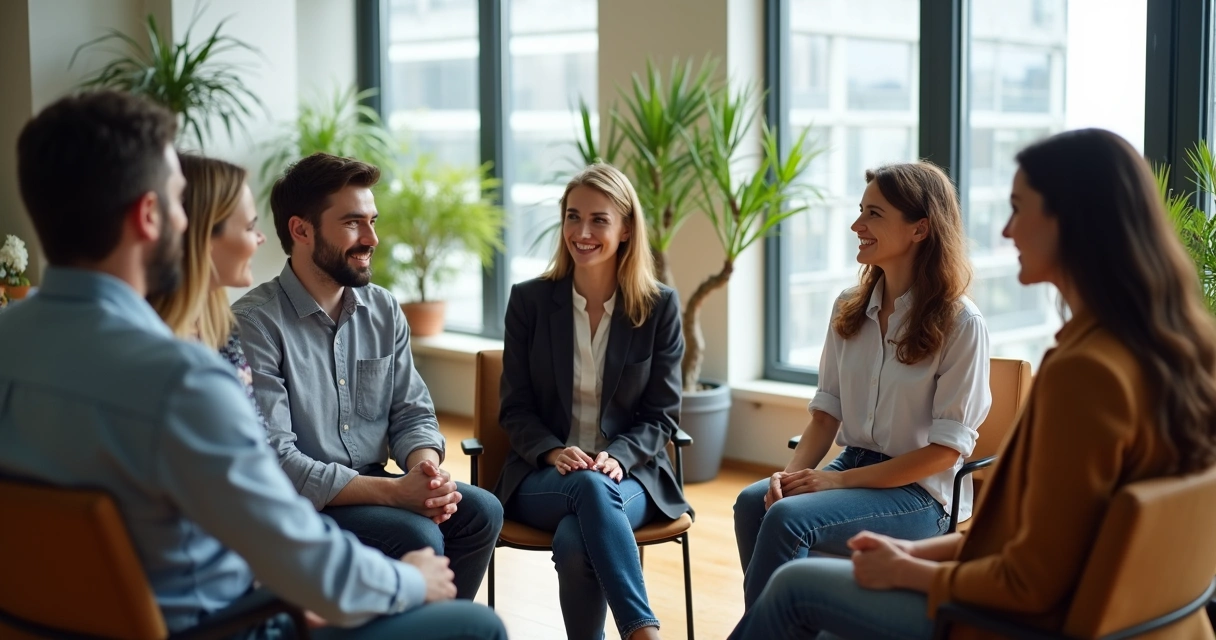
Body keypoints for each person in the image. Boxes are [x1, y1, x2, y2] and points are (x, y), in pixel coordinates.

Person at [0, 91, 505, 638]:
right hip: (235, 623)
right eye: (177, 200)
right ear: (149, 217)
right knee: (475, 626)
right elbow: (290, 545)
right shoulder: (183, 380)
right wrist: (407, 583)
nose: (188, 221)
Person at [729, 128, 1216, 640]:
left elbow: (1028, 576)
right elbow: (1034, 542)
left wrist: (906, 570)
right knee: (767, 524)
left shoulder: (1086, 372)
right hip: (1118, 614)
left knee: (795, 587)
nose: (1005, 231)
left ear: (1073, 224)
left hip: (1002, 619)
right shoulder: (1164, 353)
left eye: (1018, 207)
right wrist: (912, 555)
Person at [232, 152, 503, 601]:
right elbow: (276, 461)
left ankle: (446, 632)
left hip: (377, 478)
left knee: (483, 511)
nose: (372, 238)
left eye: (372, 221)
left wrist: (425, 472)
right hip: (306, 504)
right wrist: (397, 494)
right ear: (301, 230)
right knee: (419, 537)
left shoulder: (383, 308)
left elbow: (411, 411)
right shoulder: (255, 325)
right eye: (353, 223)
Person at [733, 161, 992, 609]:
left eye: (874, 214)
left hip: (921, 494)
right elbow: (825, 414)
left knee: (788, 520)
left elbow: (944, 453)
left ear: (919, 229)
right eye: (860, 211)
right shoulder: (848, 308)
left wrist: (836, 484)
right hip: (854, 465)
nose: (857, 225)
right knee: (755, 502)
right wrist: (788, 476)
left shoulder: (961, 323)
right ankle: (788, 624)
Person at [497, 163, 688, 640]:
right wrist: (553, 451)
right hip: (544, 476)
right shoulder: (529, 302)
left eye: (599, 220)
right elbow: (514, 408)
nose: (582, 232)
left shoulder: (658, 306)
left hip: (631, 474)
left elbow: (660, 414)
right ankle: (643, 633)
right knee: (585, 487)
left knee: (576, 539)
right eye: (572, 217)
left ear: (625, 229)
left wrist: (617, 457)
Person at [148, 154, 267, 411]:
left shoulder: (222, 330)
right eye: (250, 227)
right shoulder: (153, 350)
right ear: (204, 239)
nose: (260, 238)